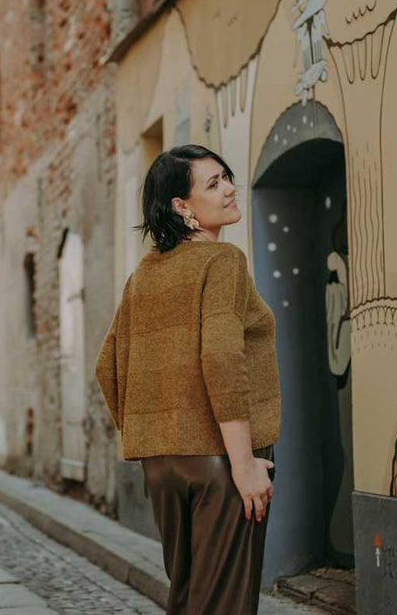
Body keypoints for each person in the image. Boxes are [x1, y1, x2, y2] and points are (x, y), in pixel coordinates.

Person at [95, 144, 282, 614]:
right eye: (214, 183)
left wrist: (154, 431)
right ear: (182, 206)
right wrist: (243, 464)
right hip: (221, 459)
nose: (229, 189)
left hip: (161, 466)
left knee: (187, 598)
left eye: (227, 178)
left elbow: (107, 366)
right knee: (222, 604)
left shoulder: (144, 274)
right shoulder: (223, 262)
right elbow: (221, 356)